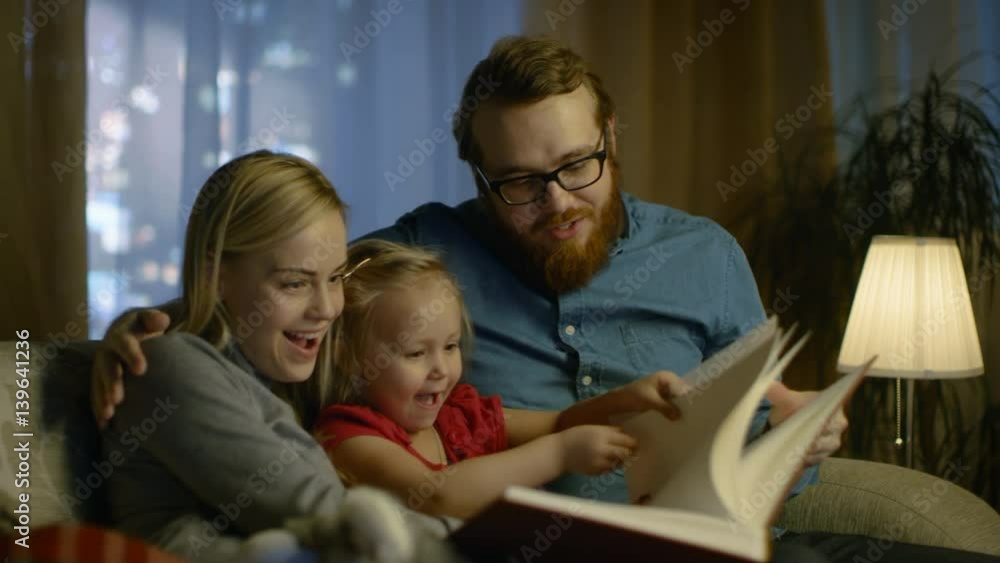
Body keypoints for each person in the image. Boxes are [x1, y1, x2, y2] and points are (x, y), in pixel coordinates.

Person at [93, 37, 1000, 563]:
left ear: (610, 134)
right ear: (478, 176)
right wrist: (143, 324)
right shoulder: (422, 248)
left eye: (577, 166)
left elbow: (764, 420)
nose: (558, 202)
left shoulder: (706, 255)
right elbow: (285, 287)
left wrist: (797, 435)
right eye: (520, 184)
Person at [98, 150, 459, 563]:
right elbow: (317, 508)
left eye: (336, 277)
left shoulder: (291, 364)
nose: (326, 308)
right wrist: (473, 542)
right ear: (216, 275)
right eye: (294, 284)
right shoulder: (166, 364)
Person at [314, 239, 691, 519]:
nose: (441, 369)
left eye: (450, 346)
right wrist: (560, 454)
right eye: (415, 353)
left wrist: (629, 399)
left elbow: (560, 422)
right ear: (348, 357)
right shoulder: (348, 436)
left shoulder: (460, 416)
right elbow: (435, 497)